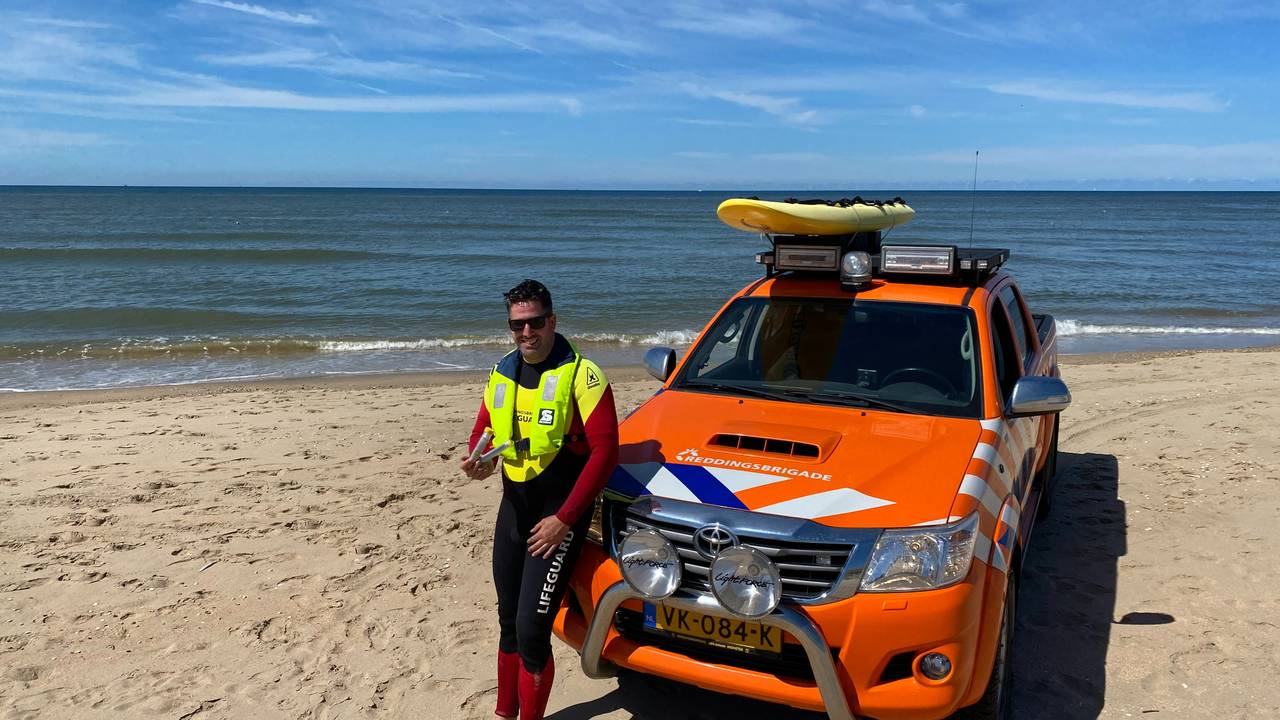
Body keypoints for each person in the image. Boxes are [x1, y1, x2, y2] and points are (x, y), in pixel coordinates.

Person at [460, 279, 619, 720]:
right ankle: (504, 713)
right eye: (517, 326)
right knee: (507, 622)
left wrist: (565, 519)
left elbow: (607, 452)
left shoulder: (583, 376)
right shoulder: (502, 370)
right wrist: (480, 459)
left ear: (552, 320)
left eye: (534, 323)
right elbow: (484, 431)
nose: (525, 333)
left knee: (532, 632)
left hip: (557, 518)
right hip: (514, 510)